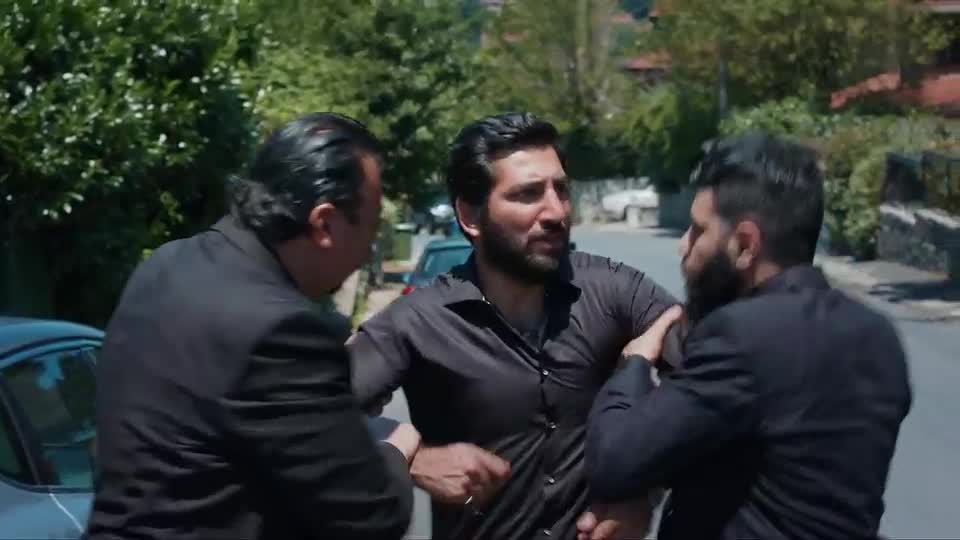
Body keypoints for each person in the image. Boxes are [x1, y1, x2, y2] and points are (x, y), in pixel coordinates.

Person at [348, 112, 683, 540]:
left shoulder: (616, 290)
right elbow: (305, 411)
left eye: (561, 190)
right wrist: (412, 457)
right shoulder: (418, 321)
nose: (556, 212)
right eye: (528, 194)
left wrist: (644, 491)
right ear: (470, 216)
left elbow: (723, 383)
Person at [87, 113, 421, 540]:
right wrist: (397, 445)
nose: (368, 250)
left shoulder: (168, 264)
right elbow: (370, 514)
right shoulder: (282, 329)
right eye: (371, 229)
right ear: (324, 224)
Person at [586, 132, 913, 540]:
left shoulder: (741, 336)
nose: (683, 247)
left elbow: (613, 461)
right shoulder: (878, 336)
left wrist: (634, 363)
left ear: (744, 245)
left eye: (698, 230)